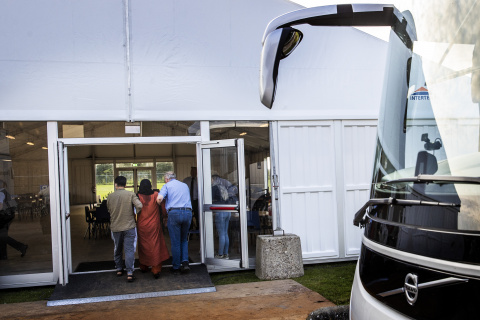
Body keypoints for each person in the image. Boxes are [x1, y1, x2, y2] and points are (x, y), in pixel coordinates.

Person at [107, 176, 142, 282]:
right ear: (126, 184)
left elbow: (108, 209)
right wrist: (135, 214)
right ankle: (130, 272)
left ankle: (118, 268)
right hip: (129, 226)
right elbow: (139, 205)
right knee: (129, 250)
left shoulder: (110, 196)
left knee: (117, 248)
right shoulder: (130, 194)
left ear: (115, 184)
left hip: (116, 226)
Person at [157, 171, 192, 274]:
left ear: (167, 179)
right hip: (188, 212)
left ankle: (176, 266)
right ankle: (185, 262)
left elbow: (159, 199)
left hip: (174, 213)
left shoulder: (167, 185)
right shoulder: (184, 185)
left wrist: (159, 204)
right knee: (184, 240)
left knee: (175, 241)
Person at [136, 179, 170, 279]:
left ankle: (143, 266)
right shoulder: (156, 195)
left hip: (142, 225)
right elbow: (163, 209)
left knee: (143, 246)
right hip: (154, 225)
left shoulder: (138, 196)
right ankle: (156, 269)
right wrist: (165, 216)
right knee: (155, 245)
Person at [0, 180, 28, 260]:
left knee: (2, 236)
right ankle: (3, 255)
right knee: (2, 236)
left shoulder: (1, 193)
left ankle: (21, 247)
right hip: (6, 217)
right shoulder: (4, 192)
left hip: (3, 217)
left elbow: (0, 206)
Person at [212, 175, 230, 259]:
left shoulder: (214, 188)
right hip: (227, 212)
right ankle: (226, 253)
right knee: (225, 233)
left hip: (220, 212)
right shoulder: (223, 187)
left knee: (221, 234)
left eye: (211, 179)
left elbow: (210, 200)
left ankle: (220, 254)